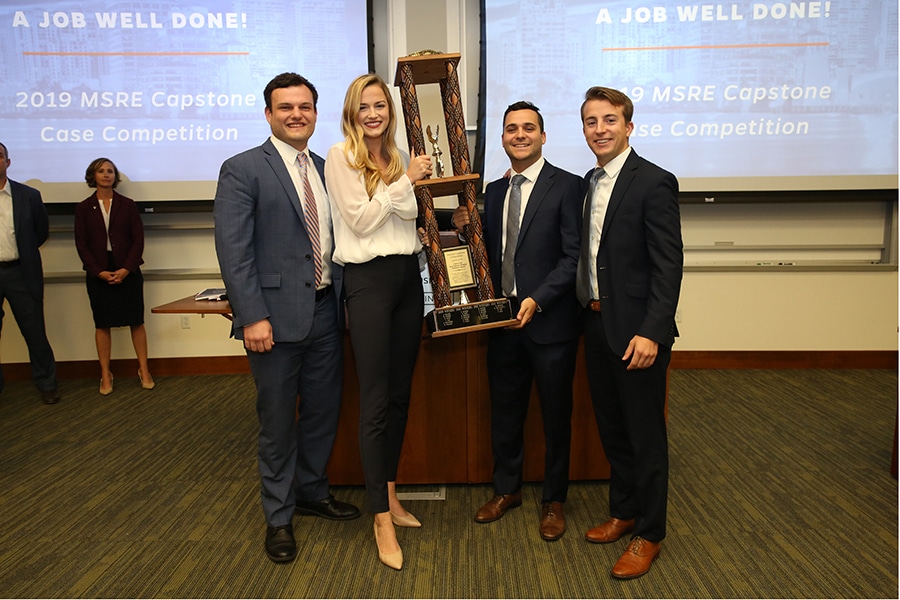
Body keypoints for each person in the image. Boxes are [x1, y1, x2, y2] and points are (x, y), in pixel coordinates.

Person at [213, 72, 360, 564]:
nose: (296, 114)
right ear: (269, 114)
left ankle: (312, 493)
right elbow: (234, 252)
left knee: (322, 412)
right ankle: (278, 517)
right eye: (285, 107)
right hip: (272, 323)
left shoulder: (326, 167)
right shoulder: (243, 168)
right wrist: (252, 315)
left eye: (305, 106)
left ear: (316, 113)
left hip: (325, 312)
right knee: (277, 423)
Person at [451, 101, 583, 541]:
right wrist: (465, 226)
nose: (519, 135)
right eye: (511, 129)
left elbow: (573, 258)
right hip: (502, 325)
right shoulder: (493, 191)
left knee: (555, 416)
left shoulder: (567, 187)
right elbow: (486, 256)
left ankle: (553, 500)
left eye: (529, 128)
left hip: (550, 325)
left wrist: (538, 300)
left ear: (543, 136)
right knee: (505, 413)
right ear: (503, 138)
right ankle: (507, 490)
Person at [324, 73, 431, 571]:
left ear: (390, 111)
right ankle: (379, 518)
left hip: (407, 277)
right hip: (366, 282)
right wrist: (405, 183)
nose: (373, 113)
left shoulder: (399, 157)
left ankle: (391, 496)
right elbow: (362, 221)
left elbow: (407, 217)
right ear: (352, 111)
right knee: (375, 400)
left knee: (400, 394)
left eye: (381, 105)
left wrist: (401, 181)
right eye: (364, 106)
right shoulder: (339, 157)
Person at [575, 86, 683, 579]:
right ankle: (624, 511)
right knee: (613, 430)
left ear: (628, 126)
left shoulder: (653, 181)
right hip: (595, 323)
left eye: (609, 120)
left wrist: (652, 332)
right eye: (591, 121)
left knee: (645, 436)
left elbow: (668, 266)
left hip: (638, 333)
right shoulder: (588, 182)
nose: (600, 129)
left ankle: (651, 533)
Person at [74, 158, 154, 395]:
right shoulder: (83, 208)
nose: (106, 175)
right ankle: (105, 374)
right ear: (93, 176)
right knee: (102, 324)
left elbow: (138, 239)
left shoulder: (127, 205)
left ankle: (144, 369)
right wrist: (98, 271)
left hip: (127, 270)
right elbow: (82, 243)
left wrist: (126, 269)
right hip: (99, 271)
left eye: (110, 171)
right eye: (101, 171)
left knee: (136, 321)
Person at [0, 142, 60, 405]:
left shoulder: (29, 196)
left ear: (8, 162)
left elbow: (40, 233)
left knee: (35, 332)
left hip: (20, 272)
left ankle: (46, 384)